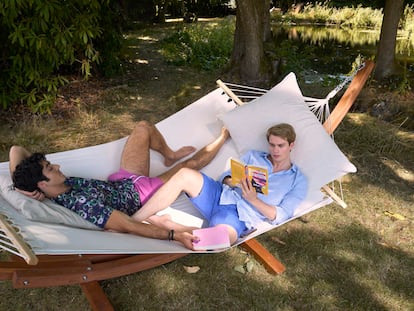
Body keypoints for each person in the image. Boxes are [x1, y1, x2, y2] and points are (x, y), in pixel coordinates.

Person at [10, 121, 230, 250]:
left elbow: (15, 150)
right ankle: (223, 136)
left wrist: (25, 187)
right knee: (189, 167)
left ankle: (169, 154)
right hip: (142, 193)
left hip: (123, 179)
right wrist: (173, 235)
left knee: (143, 127)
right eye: (50, 168)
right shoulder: (83, 205)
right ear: (43, 183)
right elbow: (129, 225)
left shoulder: (48, 187)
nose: (56, 166)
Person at [132, 123, 308, 245]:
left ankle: (168, 226)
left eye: (281, 146)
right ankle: (134, 220)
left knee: (222, 239)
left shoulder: (296, 180)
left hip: (240, 216)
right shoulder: (254, 156)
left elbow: (281, 215)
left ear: (291, 145)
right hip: (221, 195)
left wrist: (254, 200)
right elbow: (226, 177)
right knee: (185, 174)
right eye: (272, 145)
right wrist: (235, 181)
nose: (275, 150)